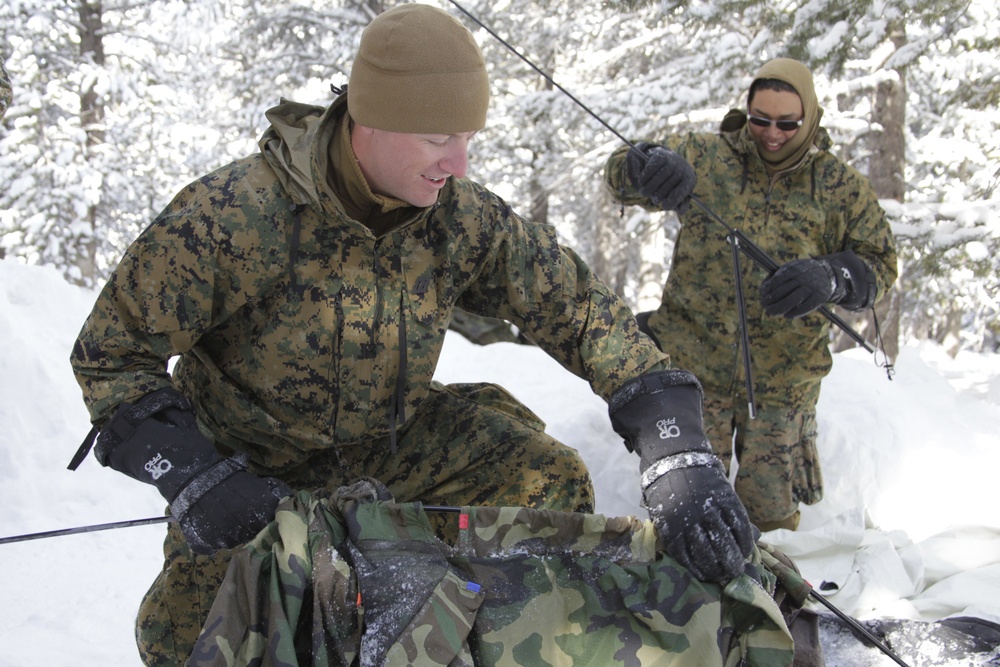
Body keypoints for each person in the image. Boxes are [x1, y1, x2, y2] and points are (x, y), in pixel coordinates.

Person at [69, 5, 753, 664]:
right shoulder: (234, 217)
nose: (457, 163)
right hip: (254, 478)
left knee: (545, 480)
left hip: (392, 448)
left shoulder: (458, 217)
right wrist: (197, 475)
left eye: (466, 138)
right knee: (187, 641)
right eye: (437, 138)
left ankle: (484, 640)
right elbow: (111, 360)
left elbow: (578, 310)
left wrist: (677, 446)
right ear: (370, 121)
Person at [604, 57, 897, 533]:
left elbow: (880, 263)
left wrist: (832, 276)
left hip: (784, 385)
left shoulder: (840, 188)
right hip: (695, 373)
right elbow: (619, 173)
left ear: (811, 117)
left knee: (773, 522)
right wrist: (645, 166)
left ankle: (774, 603)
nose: (772, 134)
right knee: (688, 511)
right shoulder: (706, 156)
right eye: (760, 119)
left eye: (787, 123)